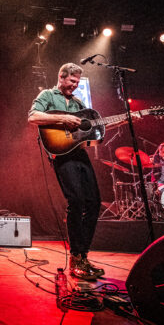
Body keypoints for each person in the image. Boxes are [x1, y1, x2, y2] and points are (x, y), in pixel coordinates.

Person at [28, 63, 105, 280]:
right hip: (62, 155)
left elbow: (91, 131)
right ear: (61, 77)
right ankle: (75, 257)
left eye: (78, 83)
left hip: (80, 154)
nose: (75, 86)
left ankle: (84, 255)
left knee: (94, 202)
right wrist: (63, 118)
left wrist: (123, 122)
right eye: (72, 82)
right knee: (77, 201)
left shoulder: (79, 103)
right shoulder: (48, 95)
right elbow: (33, 117)